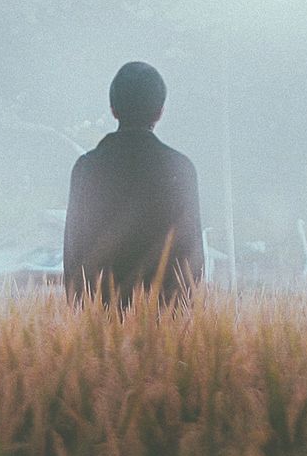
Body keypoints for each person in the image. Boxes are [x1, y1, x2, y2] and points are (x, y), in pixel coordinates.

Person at [63, 62, 203, 308]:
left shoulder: (87, 169)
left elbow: (74, 256)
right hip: (167, 326)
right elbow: (192, 260)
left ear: (113, 109)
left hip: (100, 327)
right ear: (160, 111)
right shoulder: (181, 170)